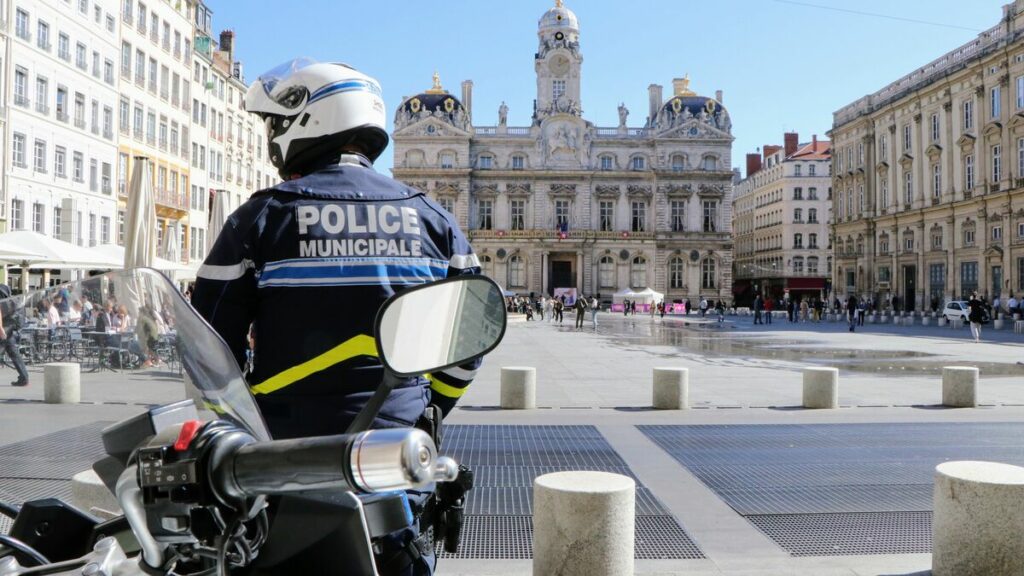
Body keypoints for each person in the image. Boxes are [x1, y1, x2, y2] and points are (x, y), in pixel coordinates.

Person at [191, 58, 483, 574]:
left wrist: (246, 418)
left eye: (275, 123)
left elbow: (209, 347)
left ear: (308, 121)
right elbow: (473, 337)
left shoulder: (262, 217)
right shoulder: (435, 221)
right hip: (395, 453)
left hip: (287, 457)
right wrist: (425, 406)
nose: (271, 136)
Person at [0, 285, 30, 387]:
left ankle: (23, 377)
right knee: (14, 353)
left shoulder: (1, 297)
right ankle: (24, 377)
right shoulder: (9, 295)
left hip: (3, 330)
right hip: (10, 329)